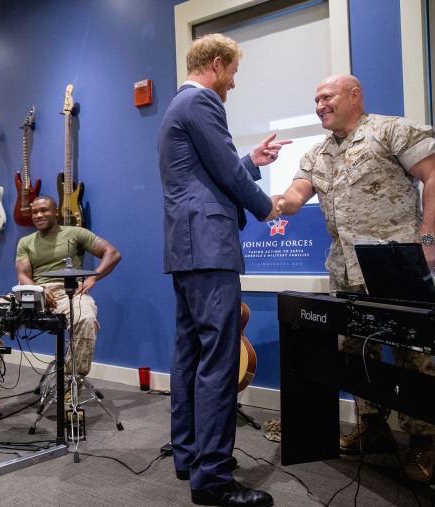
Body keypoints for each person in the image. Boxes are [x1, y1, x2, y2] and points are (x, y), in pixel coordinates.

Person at [275, 74, 435, 484]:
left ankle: (423, 438)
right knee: (354, 353)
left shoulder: (392, 130)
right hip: (346, 270)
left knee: (413, 353)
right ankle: (373, 426)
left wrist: (427, 241)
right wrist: (261, 197)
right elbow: (295, 197)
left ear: (355, 95)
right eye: (315, 99)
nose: (319, 104)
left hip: (396, 266)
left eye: (327, 96)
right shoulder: (317, 155)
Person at [158, 34, 290, 507]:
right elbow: (227, 179)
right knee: (218, 360)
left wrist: (251, 161)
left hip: (187, 246)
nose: (234, 82)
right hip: (210, 246)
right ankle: (212, 479)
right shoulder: (203, 102)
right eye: (233, 71)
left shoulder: (180, 106)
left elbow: (209, 171)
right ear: (217, 64)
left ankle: (190, 457)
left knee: (191, 353)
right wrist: (266, 208)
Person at [0, 195, 121, 415]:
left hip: (67, 293)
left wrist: (92, 279)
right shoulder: (26, 242)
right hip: (33, 292)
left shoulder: (76, 233)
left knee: (85, 319)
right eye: (35, 212)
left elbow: (112, 253)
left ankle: (70, 393)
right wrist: (37, 289)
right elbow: (22, 274)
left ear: (55, 212)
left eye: (44, 210)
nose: (38, 215)